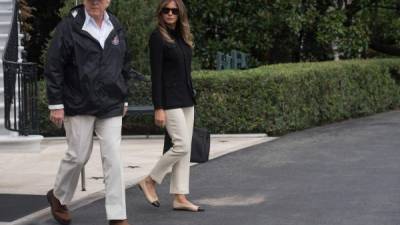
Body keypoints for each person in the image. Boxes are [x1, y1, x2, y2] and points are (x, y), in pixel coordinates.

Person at [44, 0, 132, 224]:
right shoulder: (69, 27)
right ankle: (58, 196)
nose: (95, 1)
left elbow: (124, 63)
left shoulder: (116, 25)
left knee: (113, 158)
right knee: (78, 155)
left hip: (111, 102)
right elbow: (53, 65)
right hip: (78, 101)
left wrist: (124, 95)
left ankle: (117, 216)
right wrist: (56, 104)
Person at [137, 0, 204, 212]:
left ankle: (180, 197)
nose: (170, 13)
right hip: (170, 101)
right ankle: (150, 181)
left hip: (186, 99)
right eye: (166, 10)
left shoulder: (182, 37)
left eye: (174, 10)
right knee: (181, 145)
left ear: (180, 13)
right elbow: (156, 76)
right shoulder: (157, 37)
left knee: (185, 150)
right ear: (160, 12)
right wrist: (159, 107)